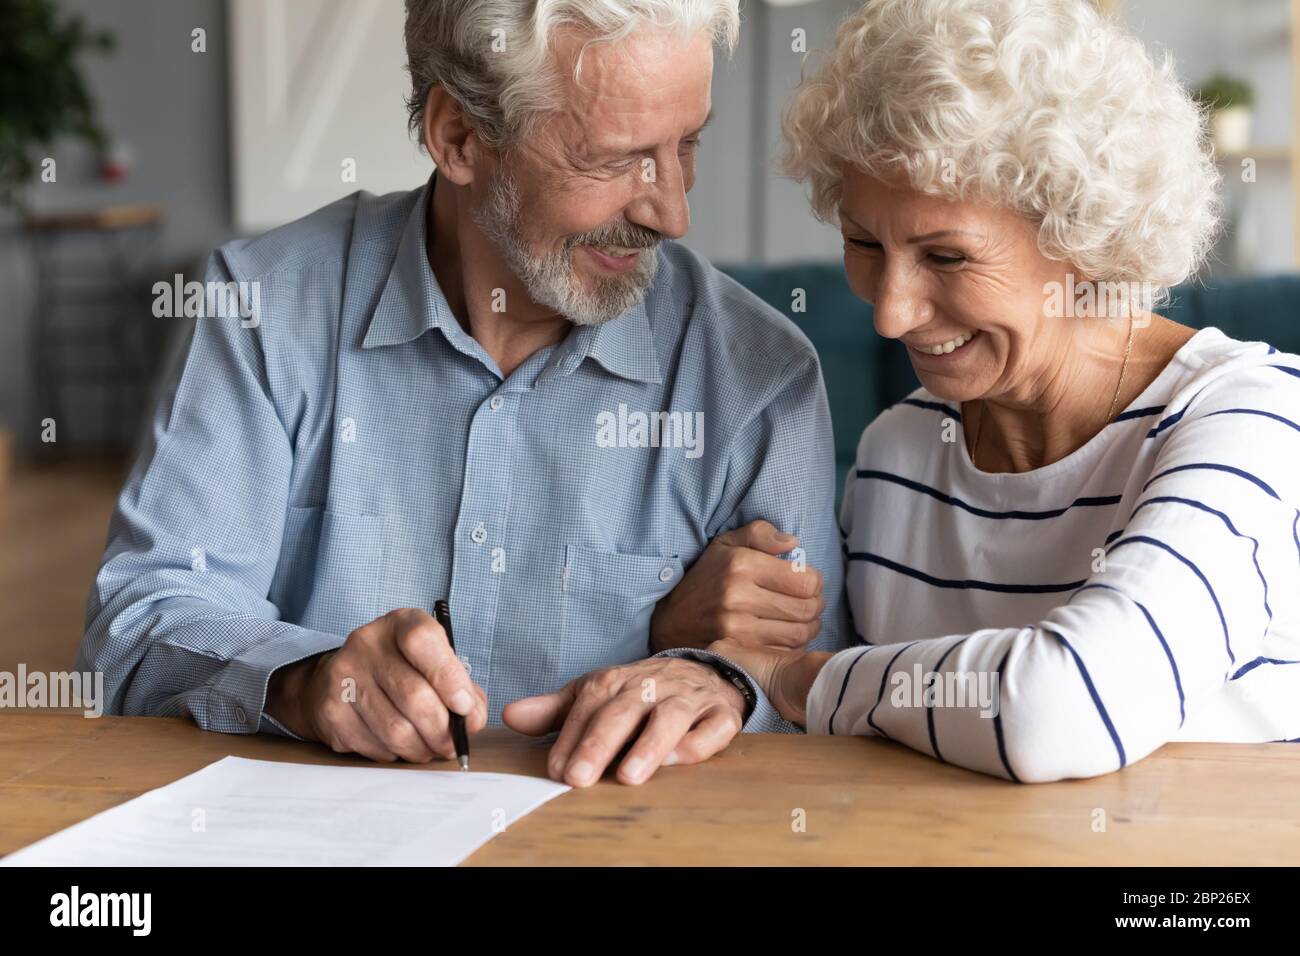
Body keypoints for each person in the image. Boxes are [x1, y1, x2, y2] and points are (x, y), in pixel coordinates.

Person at [78, 0, 850, 788]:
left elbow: (811, 697)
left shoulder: (760, 377)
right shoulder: (262, 311)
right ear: (457, 137)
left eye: (686, 144)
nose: (672, 211)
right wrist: (306, 679)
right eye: (614, 159)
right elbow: (138, 629)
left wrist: (714, 671)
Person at [707, 0, 1300, 781]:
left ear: (1084, 237)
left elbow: (1068, 708)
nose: (891, 312)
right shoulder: (900, 453)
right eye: (862, 243)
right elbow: (866, 727)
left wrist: (792, 678)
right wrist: (719, 627)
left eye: (946, 258)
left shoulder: (1253, 420)